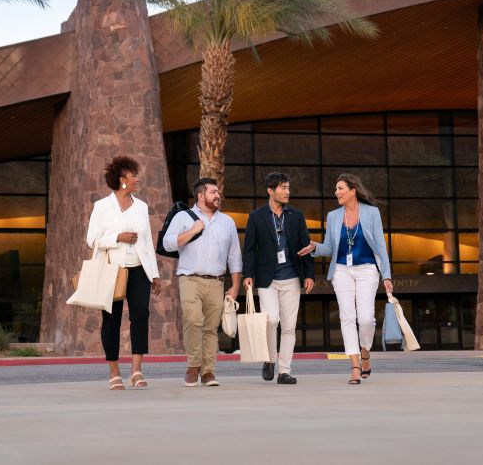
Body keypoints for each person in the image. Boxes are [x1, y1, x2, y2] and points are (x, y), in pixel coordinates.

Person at [299, 173, 393, 385]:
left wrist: (386, 275)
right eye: (336, 189)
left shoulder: (371, 213)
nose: (336, 193)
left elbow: (380, 246)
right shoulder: (333, 216)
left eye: (340, 188)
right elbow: (330, 247)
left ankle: (365, 352)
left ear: (353, 190)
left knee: (367, 318)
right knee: (347, 317)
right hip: (341, 270)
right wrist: (315, 247)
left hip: (367, 269)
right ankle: (354, 366)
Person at [86, 156, 162, 390]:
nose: (137, 179)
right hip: (112, 270)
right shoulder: (102, 207)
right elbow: (91, 240)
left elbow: (147, 242)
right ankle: (114, 372)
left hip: (139, 269)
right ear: (122, 180)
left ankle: (137, 371)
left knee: (141, 316)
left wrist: (154, 274)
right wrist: (118, 237)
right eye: (133, 176)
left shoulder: (141, 207)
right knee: (111, 320)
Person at [162, 177, 242, 387]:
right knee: (193, 320)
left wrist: (235, 285)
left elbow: (234, 256)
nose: (218, 195)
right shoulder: (183, 217)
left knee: (210, 328)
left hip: (216, 281)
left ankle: (208, 372)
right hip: (190, 278)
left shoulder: (227, 222)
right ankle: (193, 365)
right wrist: (193, 230)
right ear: (201, 196)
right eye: (213, 192)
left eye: (218, 192)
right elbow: (168, 244)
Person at [243, 172, 315, 384]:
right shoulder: (256, 217)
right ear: (270, 191)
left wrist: (309, 274)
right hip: (267, 279)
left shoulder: (296, 216)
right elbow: (249, 249)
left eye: (288, 188)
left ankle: (284, 371)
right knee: (271, 319)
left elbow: (305, 246)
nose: (287, 192)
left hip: (292, 277)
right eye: (283, 188)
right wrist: (248, 274)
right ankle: (269, 359)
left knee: (289, 327)